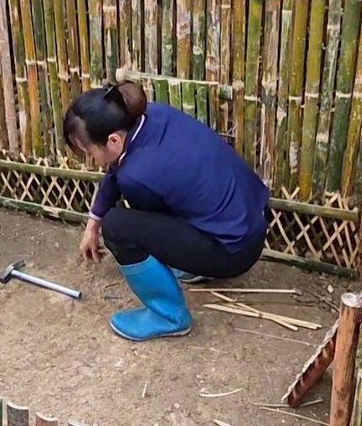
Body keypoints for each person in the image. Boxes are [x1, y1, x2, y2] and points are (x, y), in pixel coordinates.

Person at [62, 81, 271, 342]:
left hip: (234, 253)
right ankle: (195, 266)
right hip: (251, 225)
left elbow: (150, 217)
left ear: (113, 140)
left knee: (117, 227)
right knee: (139, 211)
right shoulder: (153, 115)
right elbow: (120, 166)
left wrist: (102, 223)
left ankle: (169, 316)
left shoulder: (136, 175)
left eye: (88, 151)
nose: (90, 159)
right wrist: (92, 221)